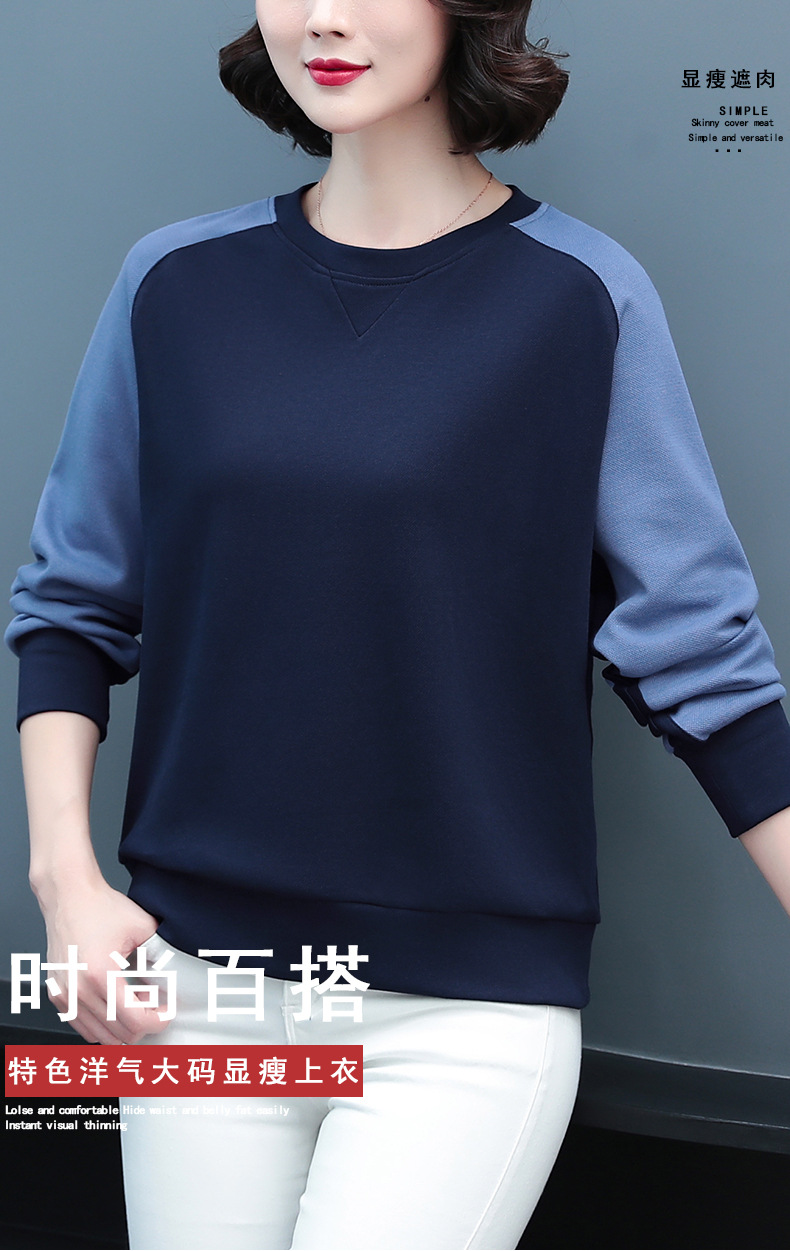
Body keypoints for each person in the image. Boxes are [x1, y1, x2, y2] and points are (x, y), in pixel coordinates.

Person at [6, 2, 790, 1248]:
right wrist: (65, 880)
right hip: (197, 985)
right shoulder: (174, 282)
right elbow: (73, 602)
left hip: (465, 1011)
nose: (324, 16)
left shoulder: (578, 296)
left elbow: (704, 663)